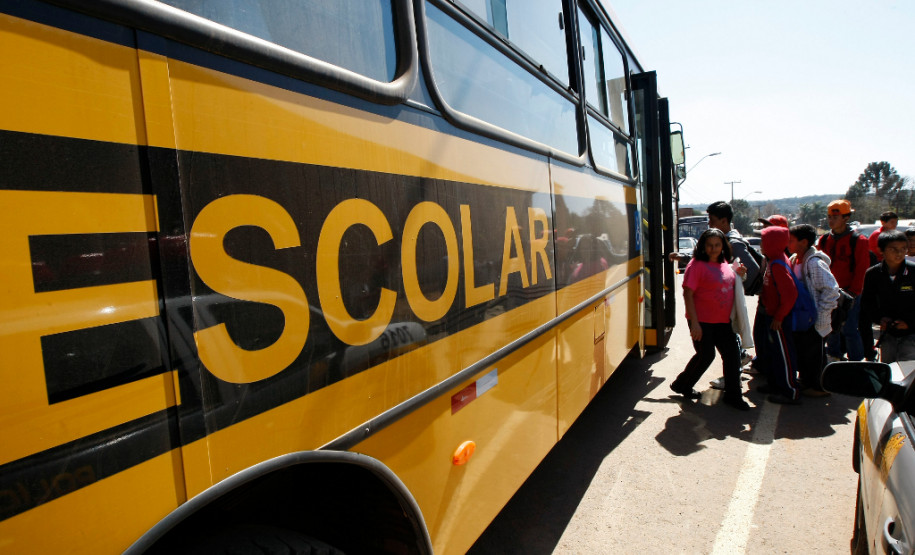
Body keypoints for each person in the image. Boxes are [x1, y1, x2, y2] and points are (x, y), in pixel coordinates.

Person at [670, 228, 751, 411]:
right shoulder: (696, 265)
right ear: (702, 246)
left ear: (723, 245)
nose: (714, 249)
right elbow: (688, 294)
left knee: (732, 357)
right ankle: (683, 385)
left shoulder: (725, 263)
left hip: (724, 321)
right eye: (709, 245)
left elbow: (731, 284)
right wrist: (695, 324)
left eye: (717, 245)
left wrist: (741, 274)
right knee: (706, 355)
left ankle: (733, 396)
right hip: (702, 321)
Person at [788, 224, 839, 396]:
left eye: (791, 240)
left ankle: (819, 387)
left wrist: (822, 314)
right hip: (803, 318)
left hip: (814, 317)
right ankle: (807, 381)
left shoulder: (814, 263)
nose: (788, 243)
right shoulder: (796, 259)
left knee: (815, 354)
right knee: (805, 352)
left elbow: (831, 290)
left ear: (803, 242)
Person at [817, 199, 870, 362]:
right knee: (831, 327)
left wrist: (853, 293)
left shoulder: (858, 240)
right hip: (830, 292)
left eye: (835, 217)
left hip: (850, 292)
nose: (831, 220)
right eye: (829, 217)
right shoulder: (825, 240)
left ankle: (856, 363)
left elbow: (862, 269)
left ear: (846, 218)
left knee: (849, 329)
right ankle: (834, 357)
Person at [757, 225, 801, 404]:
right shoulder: (773, 260)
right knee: (775, 352)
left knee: (784, 354)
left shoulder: (777, 264)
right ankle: (776, 383)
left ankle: (790, 391)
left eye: (763, 240)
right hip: (773, 315)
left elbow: (790, 295)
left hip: (779, 319)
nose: (761, 244)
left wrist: (779, 317)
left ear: (772, 243)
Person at [860, 230, 915, 363]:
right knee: (889, 370)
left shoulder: (913, 271)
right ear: (881, 250)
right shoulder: (873, 274)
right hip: (887, 334)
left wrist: (909, 323)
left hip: (911, 334)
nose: (899, 253)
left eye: (903, 249)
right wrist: (880, 319)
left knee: (908, 371)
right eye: (893, 249)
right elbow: (868, 303)